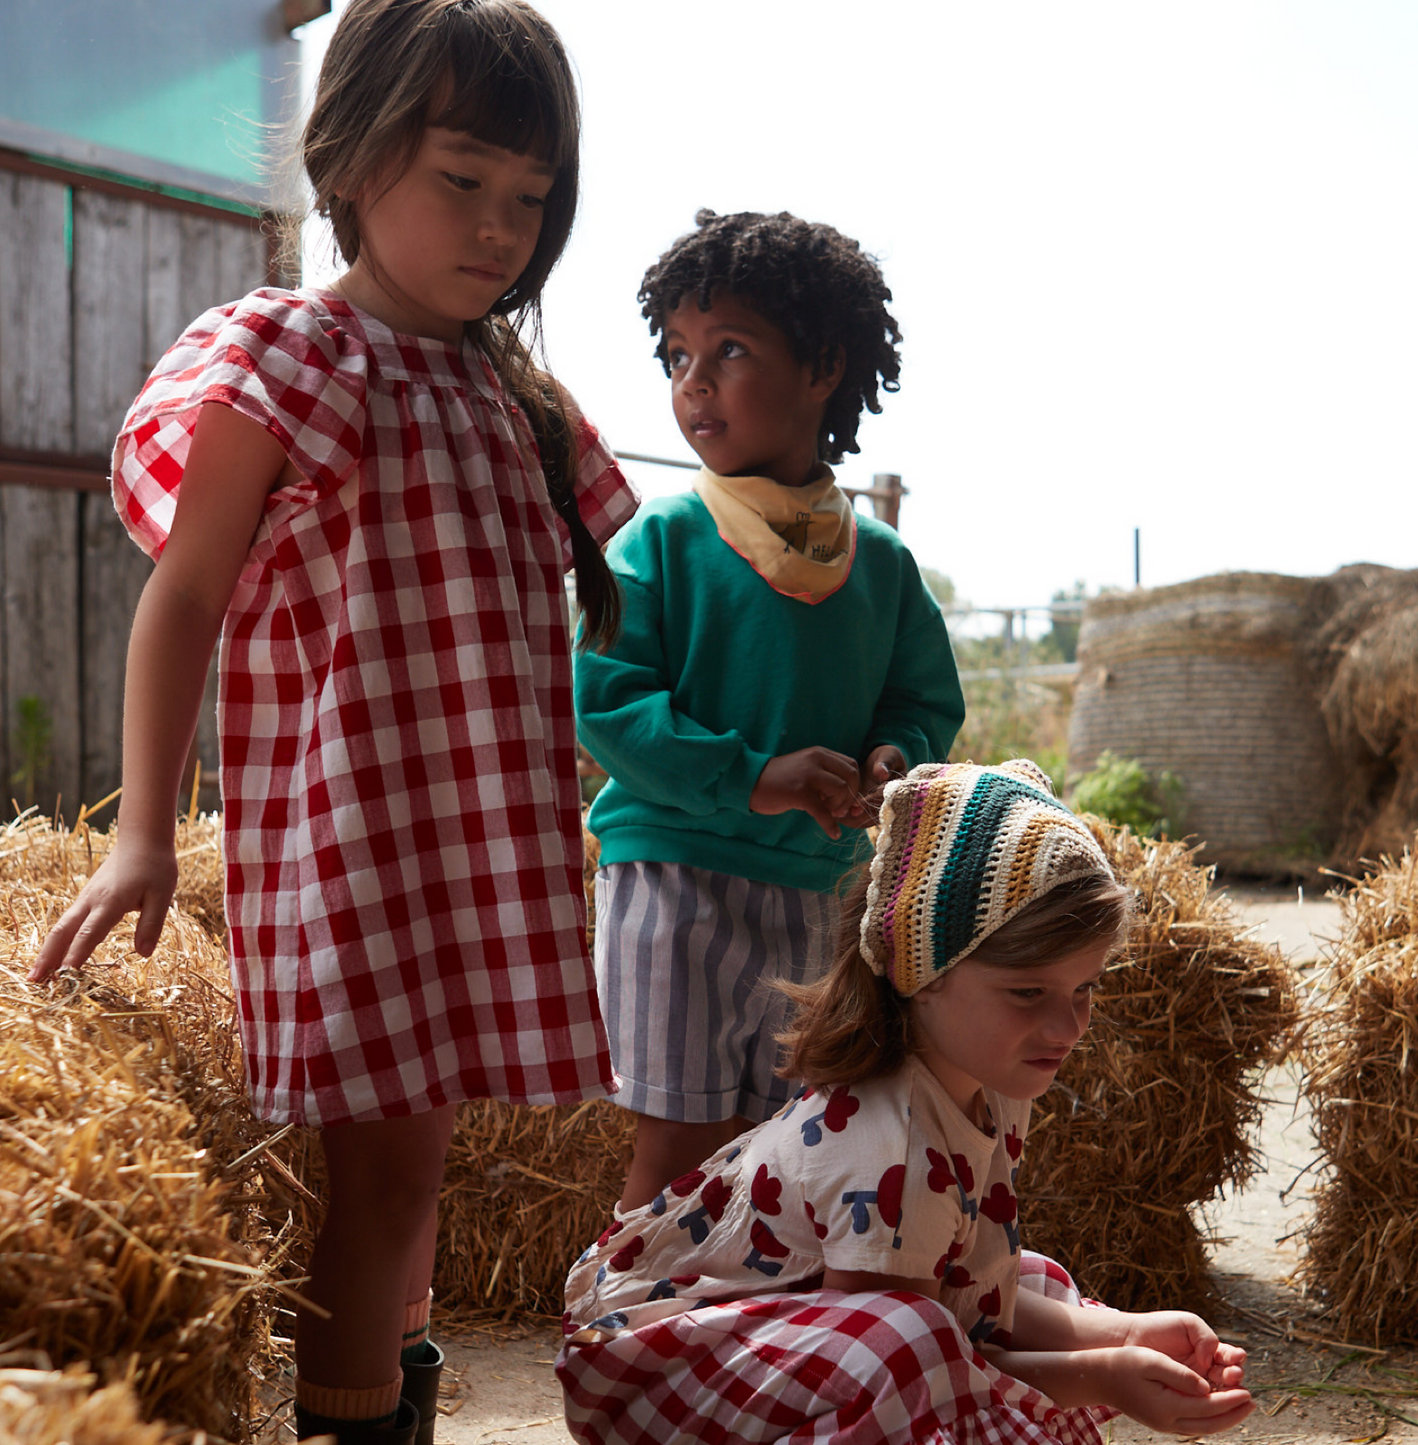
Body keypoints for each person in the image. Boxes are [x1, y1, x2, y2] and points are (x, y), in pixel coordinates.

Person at [28, 3, 638, 1442]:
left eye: (532, 198)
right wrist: (141, 838)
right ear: (352, 157)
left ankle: (387, 1385)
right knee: (383, 1176)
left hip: (482, 833)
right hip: (357, 833)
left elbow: (581, 614)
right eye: (465, 181)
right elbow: (185, 597)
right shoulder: (287, 352)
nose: (502, 227)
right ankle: (357, 1421)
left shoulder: (516, 392)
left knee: (416, 1170)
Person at [556, 759, 1255, 1444]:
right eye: (1027, 992)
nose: (1066, 1026)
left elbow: (968, 1299)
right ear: (923, 974)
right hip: (650, 1371)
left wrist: (1127, 1332)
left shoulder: (989, 1075)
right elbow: (921, 1365)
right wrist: (1106, 1376)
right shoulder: (888, 1150)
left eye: (1083, 989)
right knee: (903, 1335)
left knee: (1025, 1274)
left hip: (788, 1347)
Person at [575, 209, 966, 1211]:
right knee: (680, 1147)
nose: (691, 381)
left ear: (823, 366)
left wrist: (891, 758)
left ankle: (744, 1349)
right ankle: (636, 1338)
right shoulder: (658, 540)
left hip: (817, 892)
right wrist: (753, 774)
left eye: (729, 349)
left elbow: (920, 697)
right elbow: (602, 697)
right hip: (673, 886)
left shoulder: (876, 563)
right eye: (675, 356)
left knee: (793, 1146)